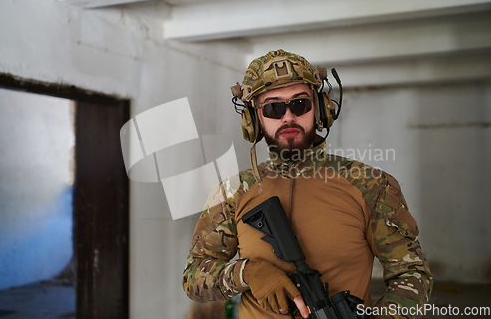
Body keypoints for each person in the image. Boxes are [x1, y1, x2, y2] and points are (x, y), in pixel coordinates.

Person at [182, 49, 433, 318]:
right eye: (273, 107)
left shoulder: (370, 185)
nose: (288, 117)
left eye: (300, 104)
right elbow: (193, 278)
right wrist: (247, 273)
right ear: (254, 119)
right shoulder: (232, 192)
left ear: (320, 109)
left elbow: (413, 274)